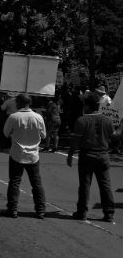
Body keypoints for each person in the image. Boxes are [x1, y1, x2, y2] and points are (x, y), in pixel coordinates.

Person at [67, 92, 118, 222]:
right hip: (103, 155)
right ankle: (109, 213)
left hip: (87, 155)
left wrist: (71, 155)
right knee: (105, 185)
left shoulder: (82, 120)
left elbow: (75, 141)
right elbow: (114, 137)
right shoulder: (107, 120)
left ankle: (82, 212)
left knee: (85, 185)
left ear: (87, 106)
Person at [2, 94, 47, 219]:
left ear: (18, 103)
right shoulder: (38, 117)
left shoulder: (13, 117)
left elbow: (6, 133)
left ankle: (12, 209)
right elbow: (43, 135)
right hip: (33, 155)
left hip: (17, 153)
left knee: (14, 182)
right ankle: (41, 210)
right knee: (36, 183)